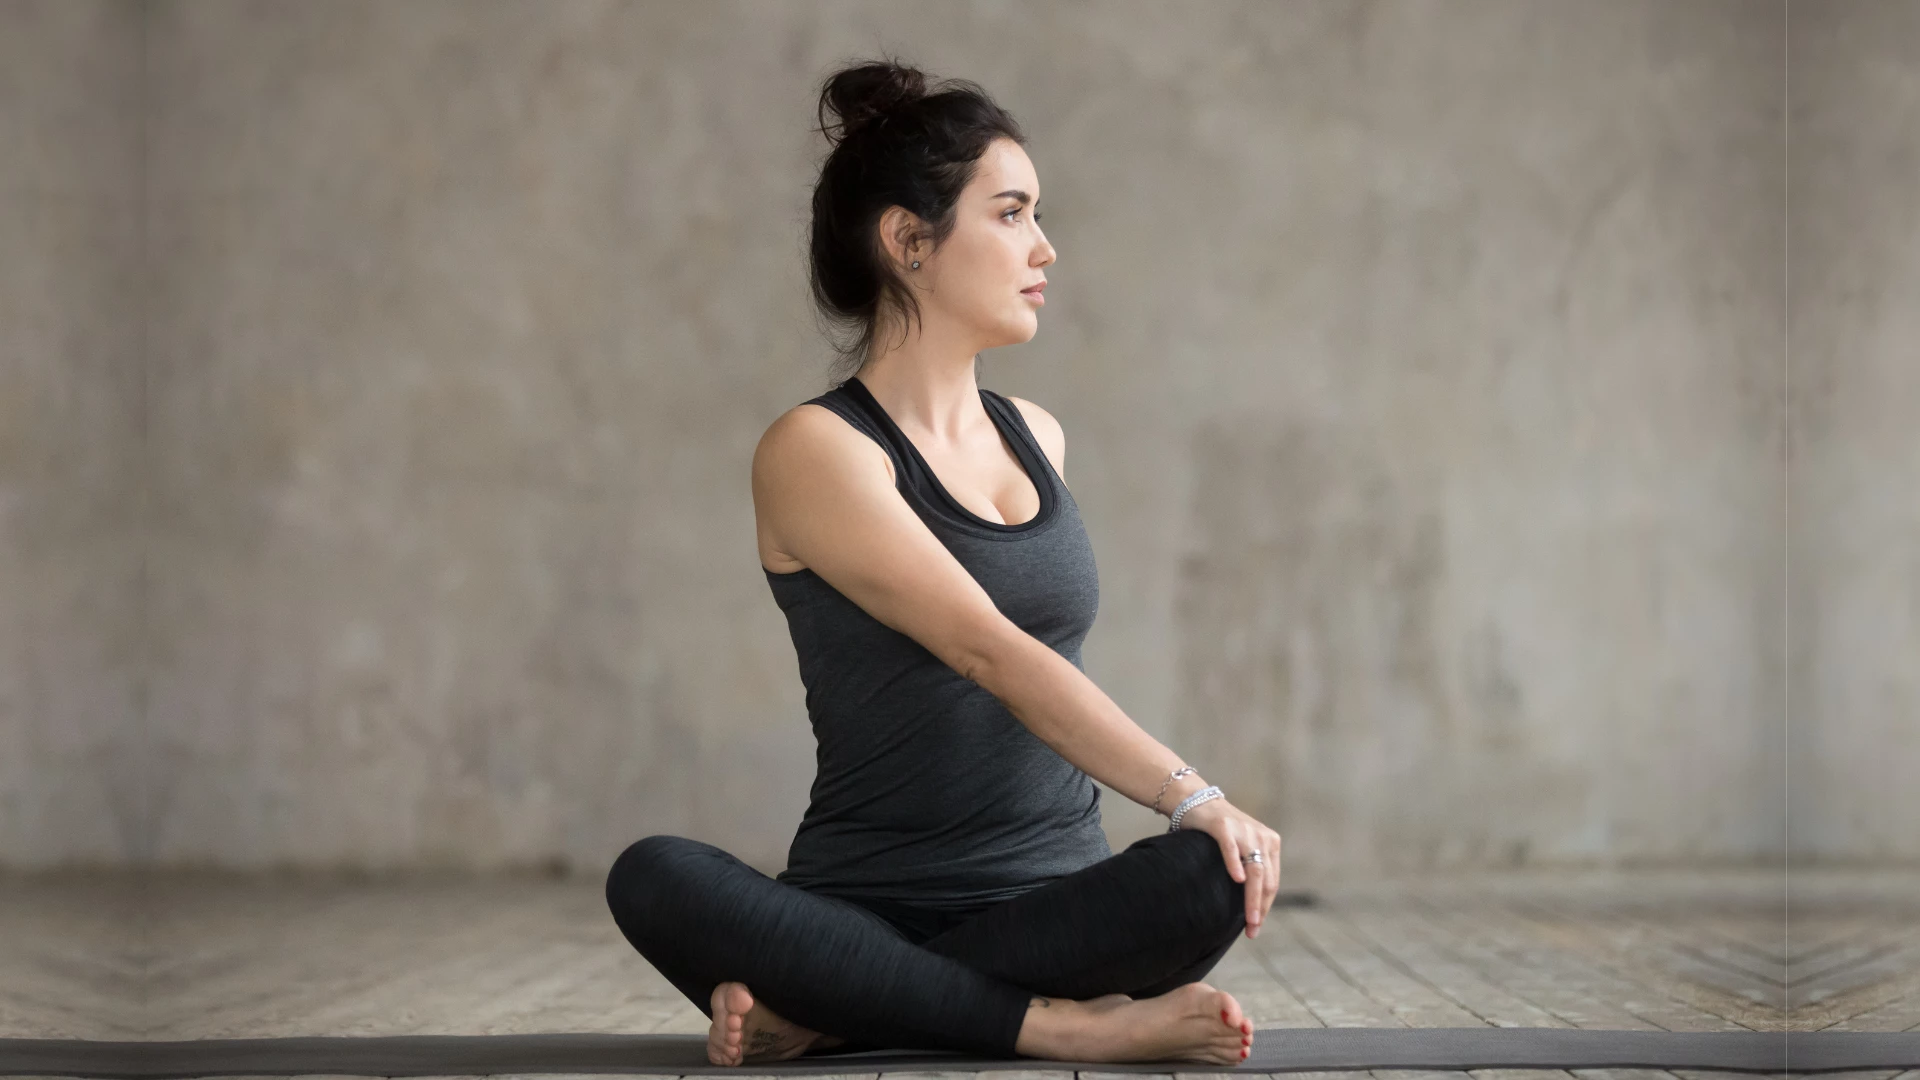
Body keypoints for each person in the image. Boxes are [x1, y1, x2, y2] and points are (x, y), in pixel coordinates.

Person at [605, 56, 1285, 1068]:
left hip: (1052, 908)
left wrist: (1207, 828)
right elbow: (989, 650)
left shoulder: (1037, 437)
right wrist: (1191, 789)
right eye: (1011, 214)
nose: (1045, 247)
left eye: (1038, 215)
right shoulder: (818, 451)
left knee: (1216, 873)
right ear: (907, 240)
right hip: (864, 904)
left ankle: (854, 1009)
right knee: (652, 875)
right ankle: (1055, 1023)